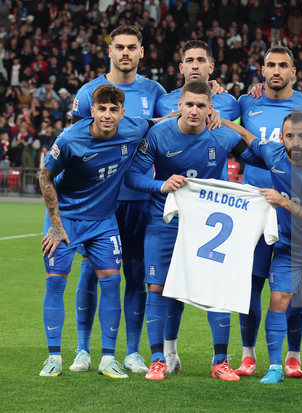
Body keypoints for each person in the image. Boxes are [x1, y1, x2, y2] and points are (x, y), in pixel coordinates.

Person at [124, 79, 265, 381]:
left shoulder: (222, 136)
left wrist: (238, 128)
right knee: (158, 287)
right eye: (189, 104)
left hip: (207, 224)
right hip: (164, 221)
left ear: (210, 109)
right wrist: (160, 184)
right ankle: (159, 359)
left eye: (201, 105)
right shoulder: (159, 134)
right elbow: (133, 177)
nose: (194, 110)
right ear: (179, 106)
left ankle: (220, 361)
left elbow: (261, 158)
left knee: (217, 285)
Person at [221, 112, 302, 386]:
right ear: (282, 138)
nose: (297, 141)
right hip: (289, 246)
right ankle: (276, 367)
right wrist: (217, 119)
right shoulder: (274, 154)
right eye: (291, 136)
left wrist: (283, 202)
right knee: (278, 300)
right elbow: (246, 135)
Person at [68, 25, 167, 375]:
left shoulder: (156, 92)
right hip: (98, 202)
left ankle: (132, 352)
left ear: (142, 52)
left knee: (136, 274)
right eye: (119, 47)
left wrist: (213, 90)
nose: (126, 53)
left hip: (140, 199)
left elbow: (181, 114)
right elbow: (74, 144)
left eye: (132, 47)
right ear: (109, 51)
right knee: (91, 273)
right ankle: (83, 350)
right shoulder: (88, 93)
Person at [38, 84, 152, 378]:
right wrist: (55, 224)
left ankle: (107, 359)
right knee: (55, 283)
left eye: (114, 110)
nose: (107, 115)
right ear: (92, 111)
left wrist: (209, 113)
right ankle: (54, 358)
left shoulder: (133, 128)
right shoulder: (70, 139)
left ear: (123, 113)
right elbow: (45, 176)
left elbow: (162, 122)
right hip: (67, 221)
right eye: (102, 109)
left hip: (103, 222)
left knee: (112, 284)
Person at [152, 39, 240, 374]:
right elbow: (153, 133)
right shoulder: (165, 99)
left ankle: (223, 358)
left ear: (211, 66)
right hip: (168, 209)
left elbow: (242, 138)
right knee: (164, 284)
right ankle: (167, 353)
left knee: (216, 283)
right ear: (180, 66)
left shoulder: (231, 102)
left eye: (200, 60)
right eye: (188, 59)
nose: (194, 65)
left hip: (212, 211)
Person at [234, 46, 302, 378]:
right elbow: (227, 123)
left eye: (283, 65)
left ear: (294, 71)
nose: (276, 71)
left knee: (292, 286)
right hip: (254, 209)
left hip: (294, 210)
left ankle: (293, 356)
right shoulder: (247, 103)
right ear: (262, 69)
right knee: (251, 285)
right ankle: (248, 354)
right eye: (270, 65)